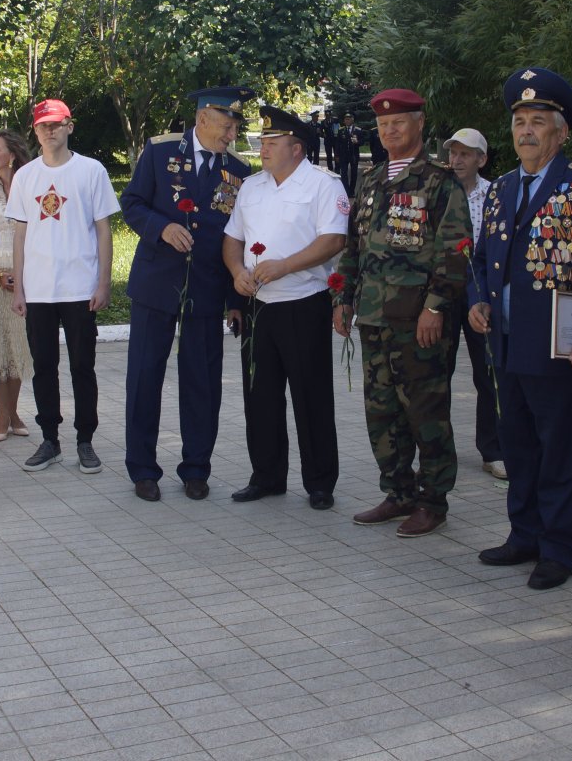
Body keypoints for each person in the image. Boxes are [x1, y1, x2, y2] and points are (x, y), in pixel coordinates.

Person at [468, 70, 572, 591]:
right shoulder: (502, 188)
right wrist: (477, 300)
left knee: (560, 450)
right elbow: (480, 259)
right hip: (505, 341)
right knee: (518, 443)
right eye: (519, 122)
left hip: (558, 344)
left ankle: (560, 547)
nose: (526, 131)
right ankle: (524, 534)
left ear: (562, 131)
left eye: (538, 121)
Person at [333, 88, 471, 538]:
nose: (389, 130)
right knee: (382, 411)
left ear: (419, 124)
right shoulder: (371, 179)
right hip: (374, 317)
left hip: (418, 321)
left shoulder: (439, 180)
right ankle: (398, 492)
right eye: (382, 125)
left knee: (425, 412)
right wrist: (343, 298)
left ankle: (433, 501)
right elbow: (353, 246)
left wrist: (436, 307)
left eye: (398, 122)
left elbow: (455, 251)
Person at [120, 86, 254, 501]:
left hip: (208, 287)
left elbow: (238, 237)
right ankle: (143, 468)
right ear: (202, 119)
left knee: (203, 381)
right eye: (227, 126)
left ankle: (196, 468)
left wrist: (235, 301)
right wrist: (161, 228)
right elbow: (132, 202)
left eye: (235, 127)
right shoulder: (161, 151)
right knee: (145, 377)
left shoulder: (239, 169)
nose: (232, 135)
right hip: (157, 282)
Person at [224, 105, 348, 509]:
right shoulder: (251, 186)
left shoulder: (323, 185)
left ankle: (320, 482)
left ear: (297, 148)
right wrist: (236, 271)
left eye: (273, 142)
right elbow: (233, 239)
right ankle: (267, 476)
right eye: (263, 141)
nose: (263, 148)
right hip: (258, 305)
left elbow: (333, 240)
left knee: (311, 396)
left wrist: (285, 265)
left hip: (303, 303)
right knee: (260, 395)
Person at [8, 99, 120, 476]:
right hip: (38, 289)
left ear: (69, 126)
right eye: (43, 125)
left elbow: (103, 230)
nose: (50, 131)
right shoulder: (26, 176)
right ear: (35, 131)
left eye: (56, 124)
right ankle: (50, 439)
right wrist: (19, 288)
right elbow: (20, 234)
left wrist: (103, 282)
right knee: (44, 367)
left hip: (79, 287)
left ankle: (85, 439)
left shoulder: (91, 171)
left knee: (82, 367)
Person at [443, 127, 502, 482]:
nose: (457, 160)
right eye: (453, 153)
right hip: (443, 288)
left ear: (482, 159)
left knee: (488, 370)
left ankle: (493, 450)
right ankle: (439, 450)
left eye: (466, 154)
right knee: (438, 371)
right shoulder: (438, 192)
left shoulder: (496, 194)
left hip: (482, 291)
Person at [0, 129, 33, 442]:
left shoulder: (30, 188)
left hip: (26, 278)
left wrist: (23, 275)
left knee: (17, 347)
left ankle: (14, 413)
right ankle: (2, 415)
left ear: (12, 154)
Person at [335, 111, 365, 194]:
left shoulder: (358, 130)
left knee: (354, 173)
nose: (346, 121)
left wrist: (357, 142)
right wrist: (337, 155)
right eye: (345, 119)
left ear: (352, 120)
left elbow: (362, 141)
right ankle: (346, 190)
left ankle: (352, 191)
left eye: (348, 119)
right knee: (343, 173)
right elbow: (337, 143)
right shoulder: (341, 130)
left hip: (353, 155)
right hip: (343, 155)